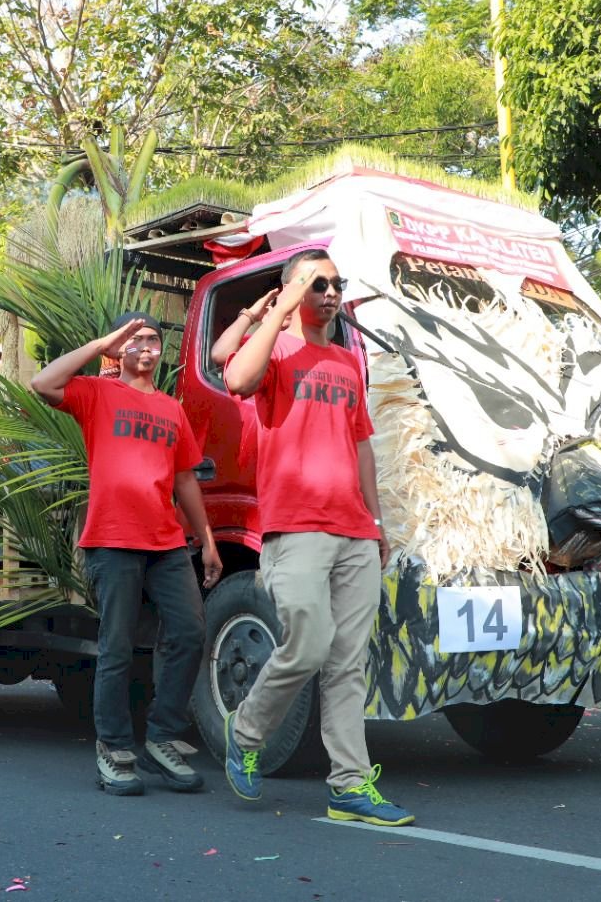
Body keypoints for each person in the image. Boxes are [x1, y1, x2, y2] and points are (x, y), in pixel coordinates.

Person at [220, 249, 414, 827]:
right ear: (293, 290)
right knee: (306, 644)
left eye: (336, 283)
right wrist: (278, 310)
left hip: (354, 530)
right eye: (316, 282)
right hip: (296, 526)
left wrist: (376, 524)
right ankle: (247, 731)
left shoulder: (347, 361)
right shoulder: (276, 349)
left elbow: (361, 447)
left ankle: (349, 785)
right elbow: (235, 378)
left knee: (349, 665)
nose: (329, 292)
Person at [32, 312, 223, 797]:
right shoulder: (98, 393)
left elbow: (184, 479)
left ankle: (161, 737)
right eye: (135, 338)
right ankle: (113, 750)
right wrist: (102, 345)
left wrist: (208, 538)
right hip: (112, 538)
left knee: (188, 632)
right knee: (116, 647)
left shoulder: (170, 408)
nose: (146, 346)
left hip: (165, 540)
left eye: (153, 339)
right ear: (118, 349)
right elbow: (43, 382)